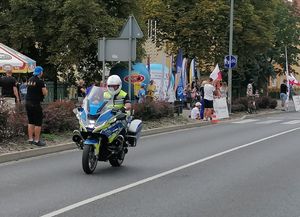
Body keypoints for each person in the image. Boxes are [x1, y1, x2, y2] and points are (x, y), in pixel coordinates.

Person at [25, 66, 48, 146]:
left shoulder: (30, 80)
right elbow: (44, 93)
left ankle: (30, 139)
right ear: (40, 72)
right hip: (35, 103)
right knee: (38, 122)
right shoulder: (40, 81)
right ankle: (37, 140)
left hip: (27, 103)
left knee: (30, 121)